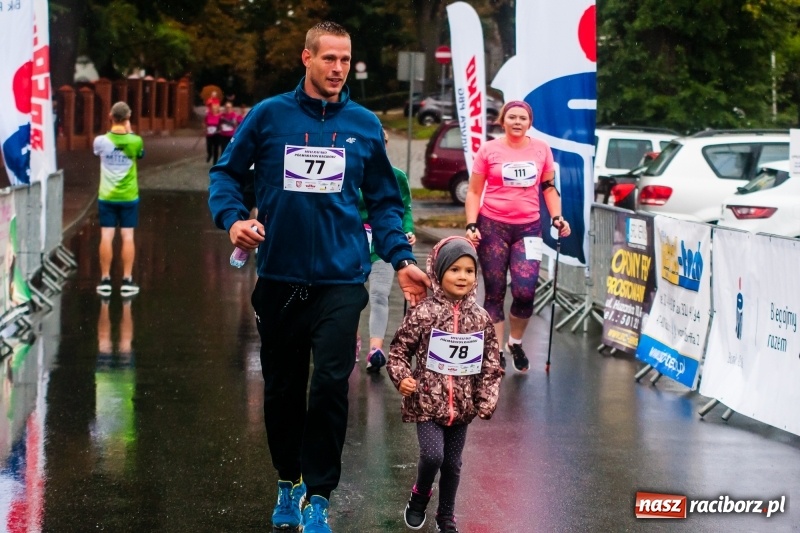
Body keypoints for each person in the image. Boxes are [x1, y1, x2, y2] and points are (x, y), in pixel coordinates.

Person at [207, 21, 430, 533]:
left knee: (330, 385)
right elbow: (225, 173)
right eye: (328, 58)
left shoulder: (364, 124)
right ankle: (288, 481)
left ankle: (320, 496)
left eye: (345, 60)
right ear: (305, 58)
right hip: (280, 280)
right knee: (283, 390)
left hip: (340, 281)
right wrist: (234, 219)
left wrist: (399, 258)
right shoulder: (269, 116)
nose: (337, 69)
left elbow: (385, 202)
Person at [387, 236, 502, 533]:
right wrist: (402, 378)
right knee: (433, 455)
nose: (462, 276)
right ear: (438, 273)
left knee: (452, 465)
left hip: (462, 408)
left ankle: (446, 516)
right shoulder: (424, 312)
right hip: (426, 401)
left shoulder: (481, 318)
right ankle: (420, 494)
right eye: (454, 270)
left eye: (468, 270)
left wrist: (486, 398)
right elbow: (399, 351)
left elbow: (491, 363)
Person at [464, 100, 571, 372]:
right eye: (511, 117)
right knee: (495, 291)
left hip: (528, 228)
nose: (517, 122)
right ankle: (496, 351)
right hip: (492, 227)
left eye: (522, 118)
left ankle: (515, 342)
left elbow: (548, 187)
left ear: (529, 122)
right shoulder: (489, 149)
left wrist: (557, 216)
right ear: (503, 120)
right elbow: (475, 191)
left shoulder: (541, 149)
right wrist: (471, 223)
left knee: (525, 290)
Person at [357, 128, 415, 372]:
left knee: (379, 295)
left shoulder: (397, 176)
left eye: (382, 142)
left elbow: (406, 208)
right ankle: (350, 341)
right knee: (352, 298)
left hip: (383, 243)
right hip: (354, 242)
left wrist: (407, 230)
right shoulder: (351, 172)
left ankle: (376, 350)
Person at [93, 101, 144, 296]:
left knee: (106, 235)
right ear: (128, 119)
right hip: (129, 196)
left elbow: (97, 153)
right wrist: (129, 132)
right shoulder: (135, 141)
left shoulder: (100, 141)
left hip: (106, 195)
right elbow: (140, 154)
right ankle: (127, 280)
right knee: (127, 236)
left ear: (110, 116)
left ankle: (105, 279)